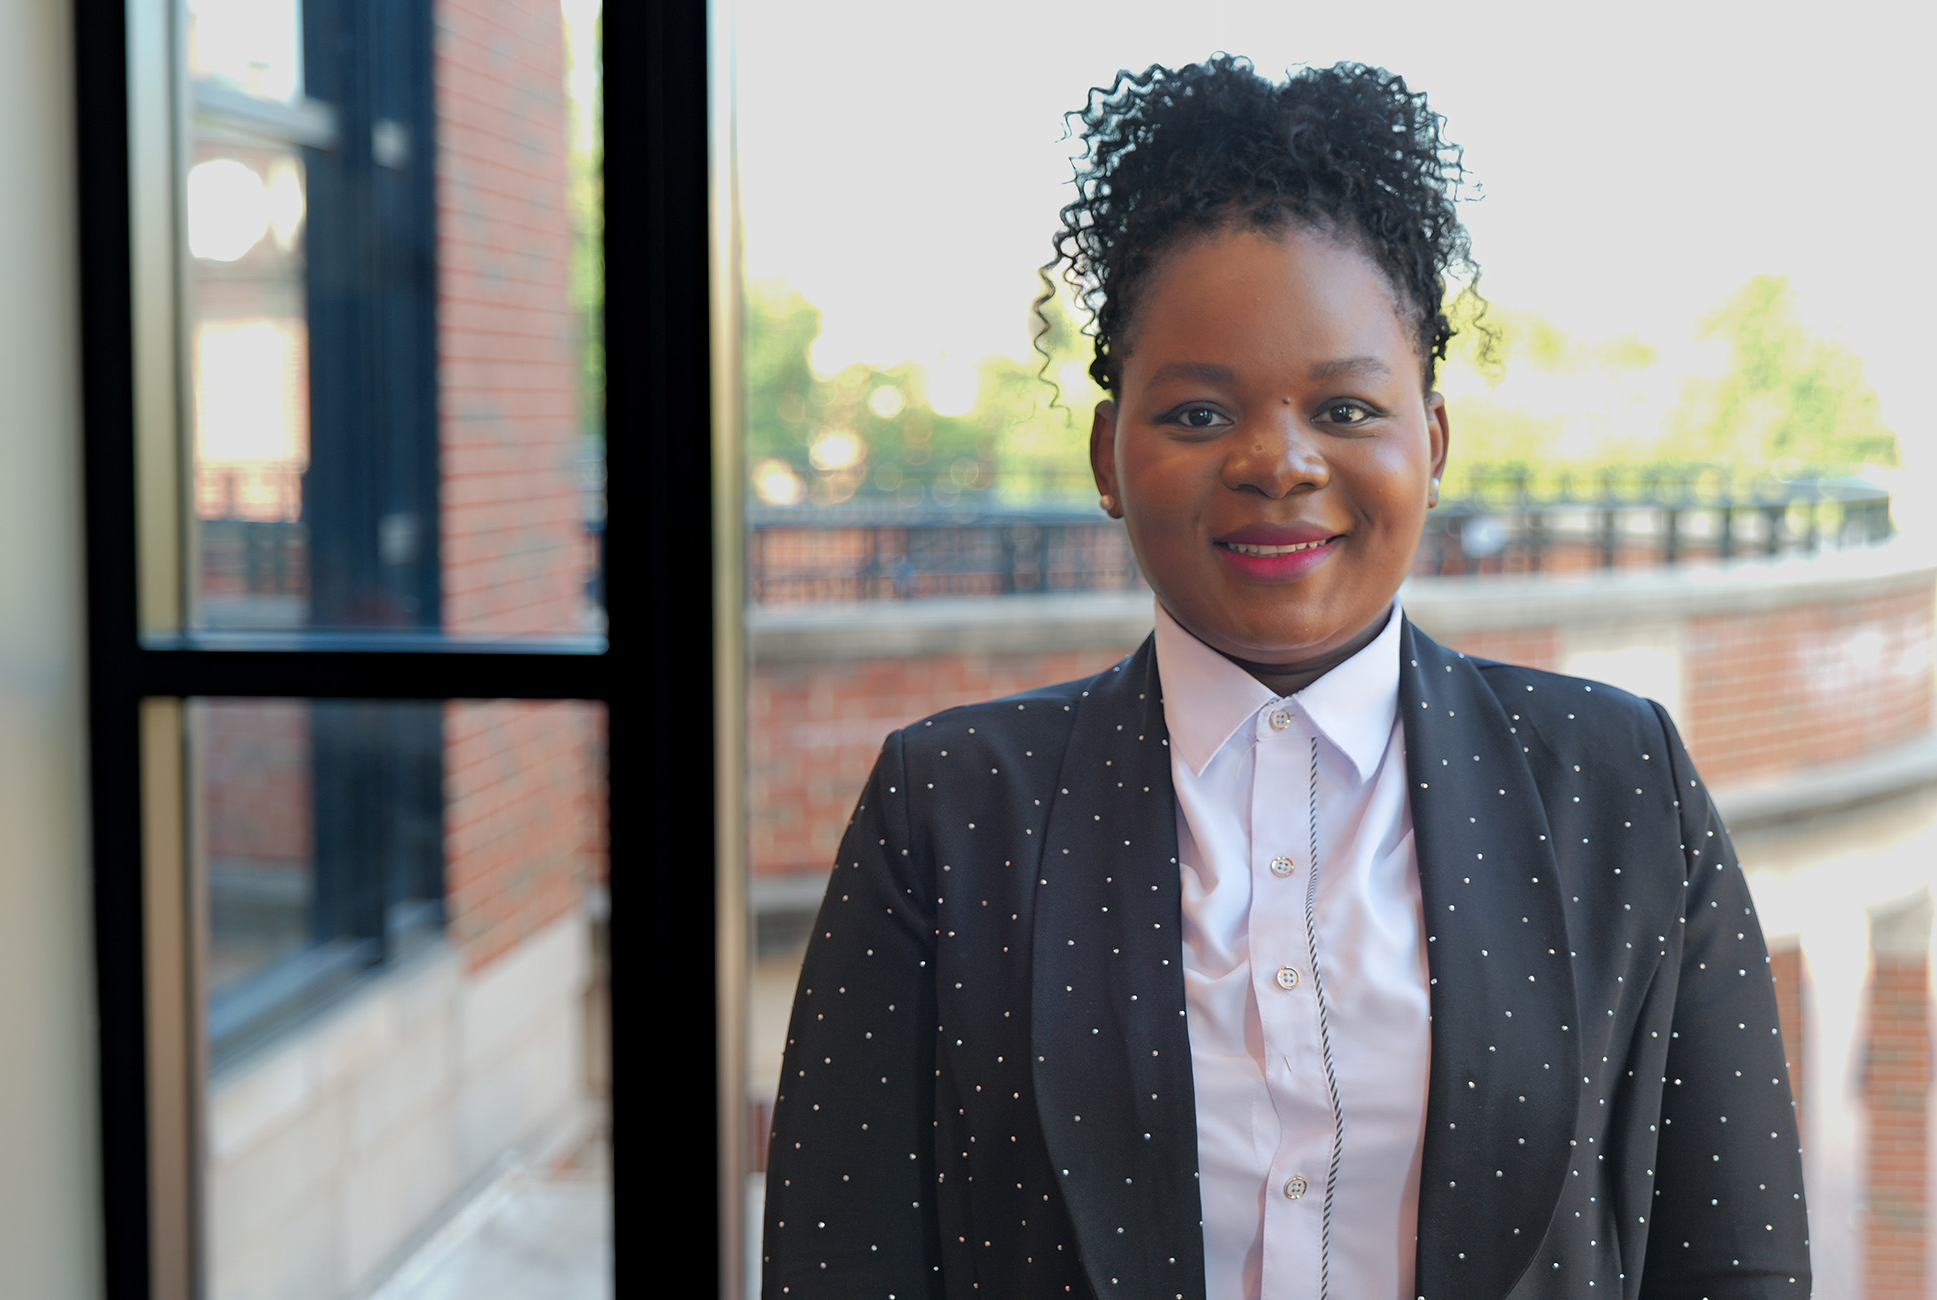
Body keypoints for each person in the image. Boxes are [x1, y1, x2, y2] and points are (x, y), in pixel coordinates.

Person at [761, 55, 1809, 1300]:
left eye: (1347, 409)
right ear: (1108, 454)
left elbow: (1736, 1264)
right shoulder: (948, 807)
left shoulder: (1619, 784)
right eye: (1199, 414)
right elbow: (838, 1267)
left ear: (1433, 439)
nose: (1277, 461)